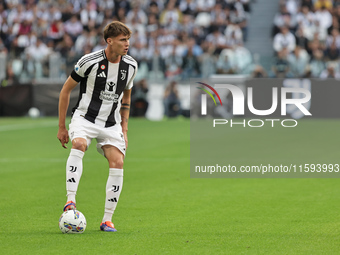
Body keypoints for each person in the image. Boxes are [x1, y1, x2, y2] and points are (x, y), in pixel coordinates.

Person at [57, 21, 138, 232]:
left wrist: (125, 130)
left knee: (118, 161)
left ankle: (107, 220)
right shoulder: (89, 61)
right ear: (109, 41)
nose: (127, 43)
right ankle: (70, 201)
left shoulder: (130, 66)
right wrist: (62, 127)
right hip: (85, 118)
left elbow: (126, 99)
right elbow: (65, 91)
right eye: (122, 40)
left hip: (111, 123)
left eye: (128, 39)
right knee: (80, 144)